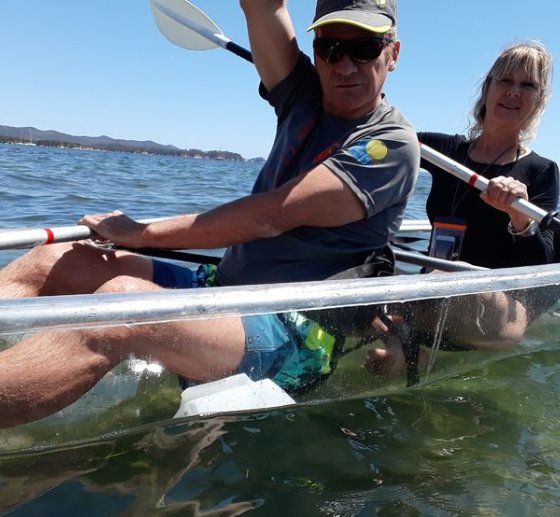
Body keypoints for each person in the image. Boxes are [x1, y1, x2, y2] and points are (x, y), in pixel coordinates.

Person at [0, 0, 419, 426]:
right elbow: (263, 7)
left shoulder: (391, 144)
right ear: (315, 52)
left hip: (297, 331)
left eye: (364, 48)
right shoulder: (303, 98)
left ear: (393, 53)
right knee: (51, 262)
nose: (344, 65)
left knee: (120, 305)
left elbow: (271, 215)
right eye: (330, 48)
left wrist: (141, 233)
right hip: (224, 286)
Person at [367, 41, 559, 377]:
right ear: (487, 88)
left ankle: (399, 338)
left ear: (538, 100)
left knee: (457, 284)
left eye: (527, 85)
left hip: (495, 310)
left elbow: (541, 266)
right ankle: (406, 348)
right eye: (505, 81)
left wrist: (520, 219)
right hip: (432, 293)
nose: (514, 92)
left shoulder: (541, 172)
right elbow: (382, 135)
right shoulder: (445, 151)